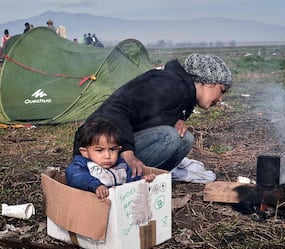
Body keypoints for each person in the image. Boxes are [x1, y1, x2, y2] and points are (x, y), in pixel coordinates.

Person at [72, 53, 232, 177]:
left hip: (116, 145)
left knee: (185, 138)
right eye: (221, 90)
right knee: (169, 137)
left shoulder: (185, 95)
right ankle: (115, 177)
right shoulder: (168, 84)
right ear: (207, 82)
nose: (220, 99)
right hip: (96, 147)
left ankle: (144, 179)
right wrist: (127, 152)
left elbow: (147, 116)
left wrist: (174, 119)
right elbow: (117, 108)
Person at [66, 119, 156, 200]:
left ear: (119, 149)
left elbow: (129, 181)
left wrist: (141, 180)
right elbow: (76, 177)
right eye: (100, 150)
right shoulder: (81, 165)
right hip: (93, 205)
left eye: (112, 149)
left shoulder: (121, 166)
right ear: (85, 152)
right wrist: (96, 185)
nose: (108, 156)